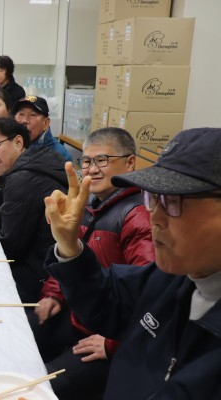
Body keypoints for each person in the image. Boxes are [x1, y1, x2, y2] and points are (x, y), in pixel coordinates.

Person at [43, 127, 221, 399]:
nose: (155, 218)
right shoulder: (171, 277)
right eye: (154, 199)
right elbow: (105, 300)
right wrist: (69, 246)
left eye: (173, 201)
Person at [29, 127, 155, 400]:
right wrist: (53, 294)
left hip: (111, 336)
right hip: (79, 315)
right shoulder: (88, 205)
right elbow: (69, 257)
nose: (92, 169)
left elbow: (151, 294)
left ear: (130, 162)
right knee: (20, 334)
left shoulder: (138, 215)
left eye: (102, 160)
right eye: (86, 161)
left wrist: (113, 343)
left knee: (41, 389)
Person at [0, 118, 67, 302]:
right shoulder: (39, 159)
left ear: (18, 142)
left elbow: (9, 249)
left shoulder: (23, 177)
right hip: (54, 268)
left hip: (41, 277)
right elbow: (10, 218)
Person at [13, 96, 72, 162]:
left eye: (32, 115)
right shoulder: (8, 145)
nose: (24, 120)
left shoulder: (60, 154)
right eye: (21, 114)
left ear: (46, 123)